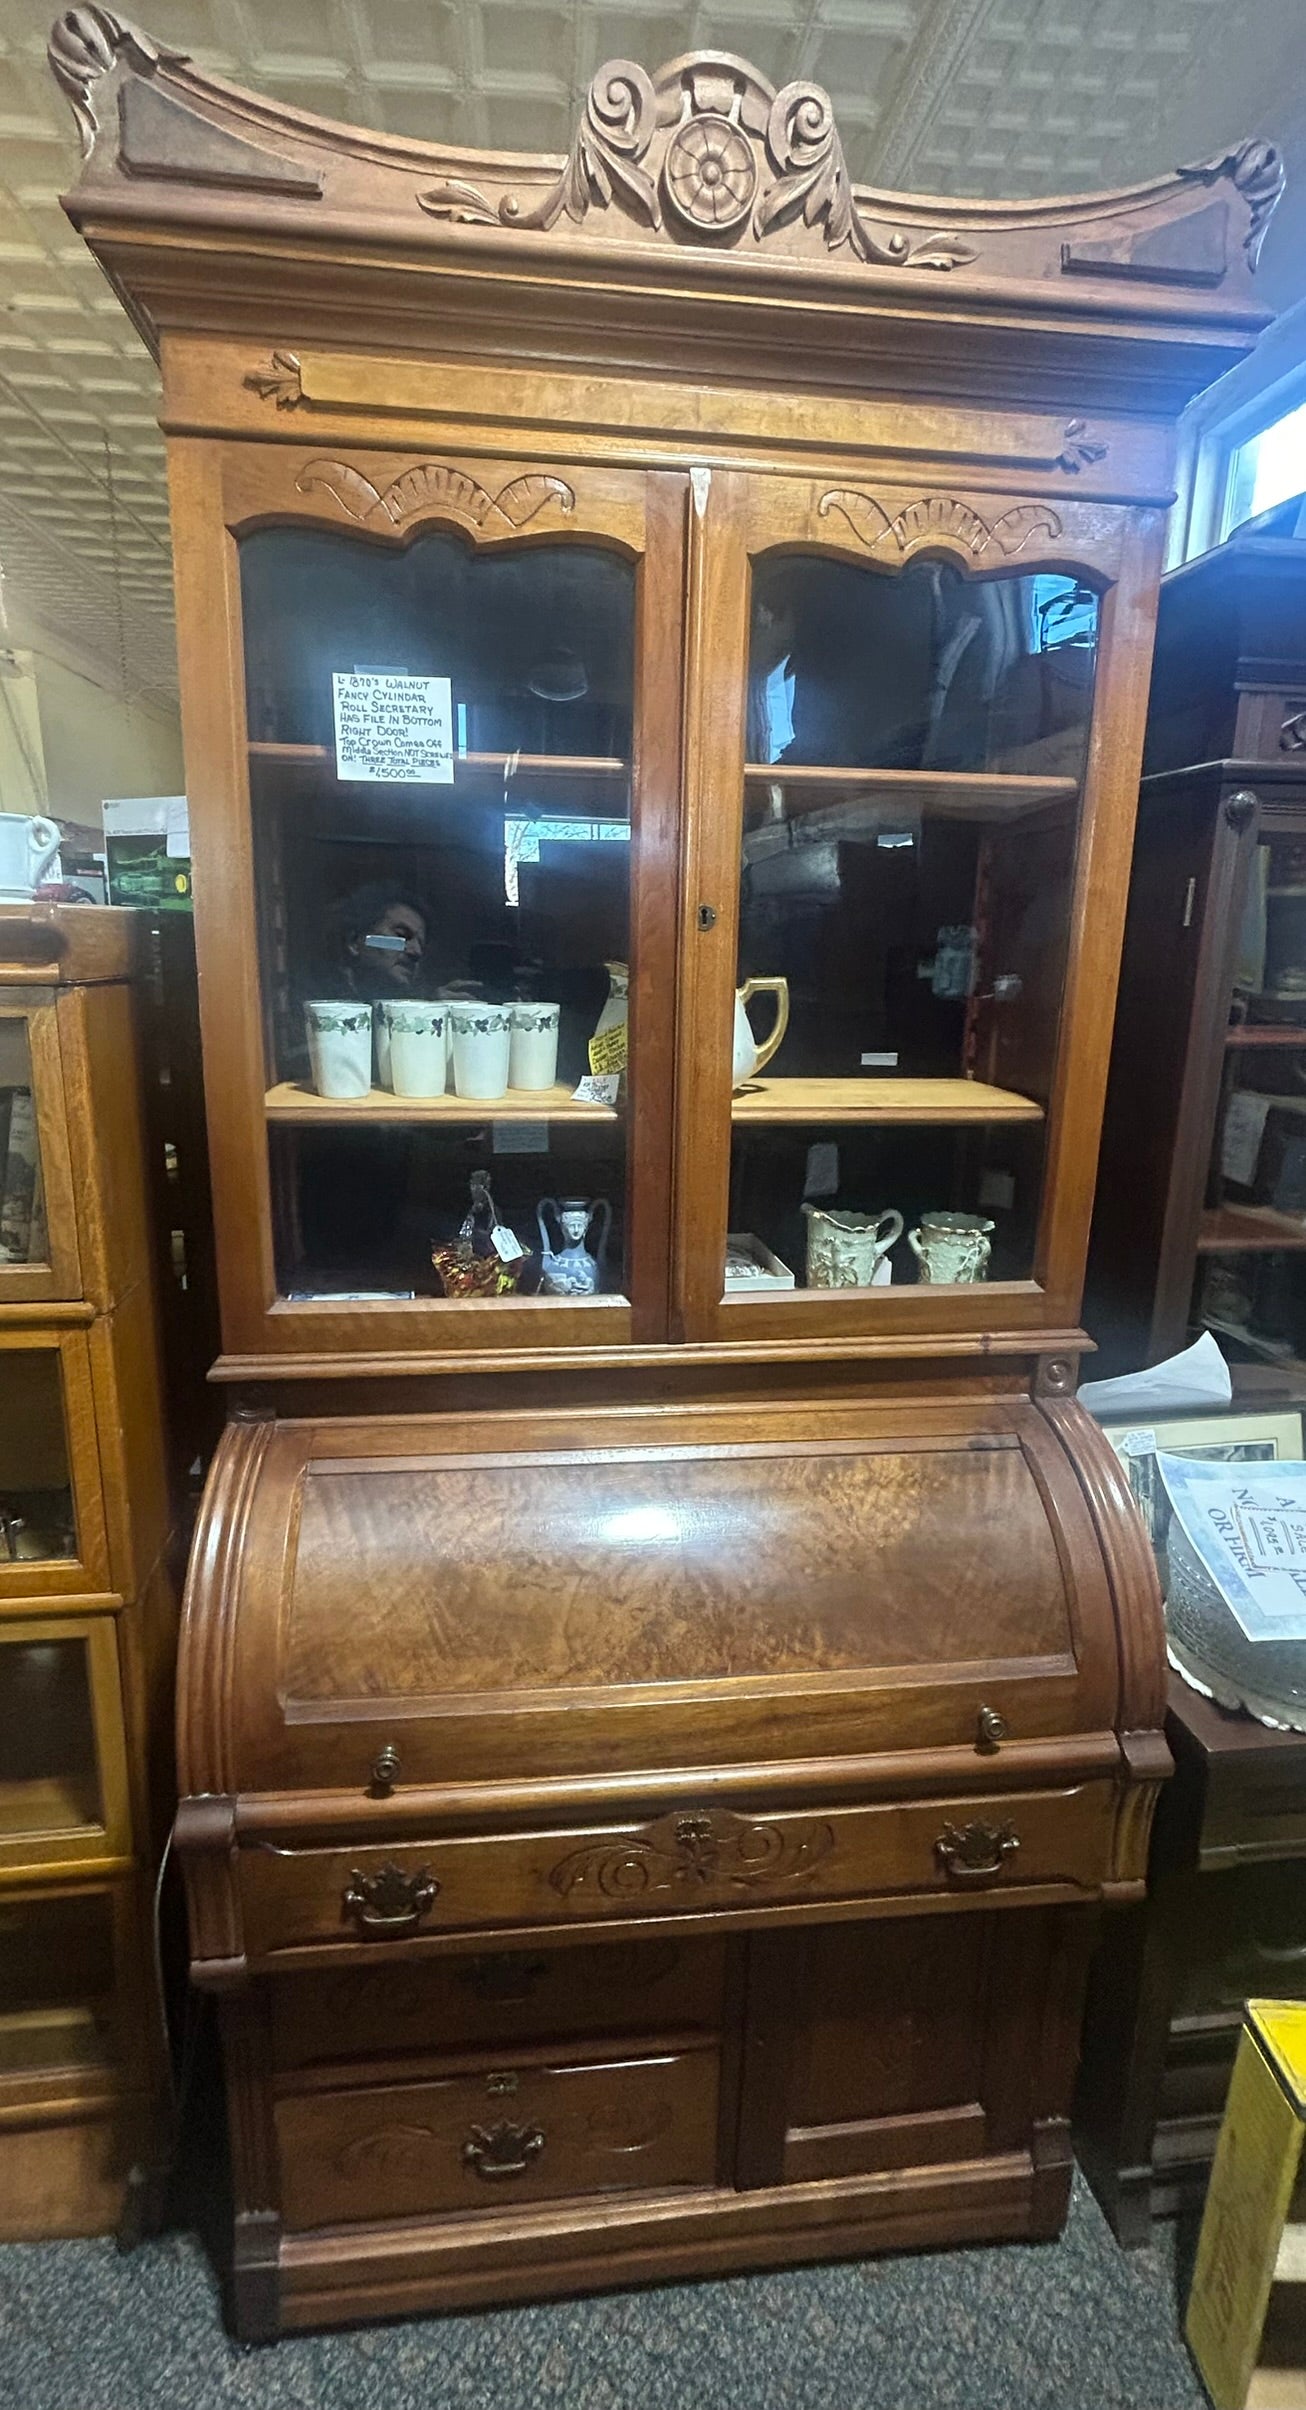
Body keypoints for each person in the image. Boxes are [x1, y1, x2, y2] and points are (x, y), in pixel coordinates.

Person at [321, 880, 431, 1001]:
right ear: (353, 942)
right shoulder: (311, 1004)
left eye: (421, 945)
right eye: (401, 935)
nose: (416, 952)